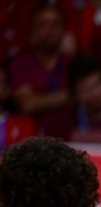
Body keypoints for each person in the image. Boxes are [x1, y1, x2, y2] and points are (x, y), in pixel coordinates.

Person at [8, 6, 73, 139]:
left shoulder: (72, 63)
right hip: (28, 143)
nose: (49, 31)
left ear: (63, 30)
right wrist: (72, 94)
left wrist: (40, 99)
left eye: (55, 26)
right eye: (43, 25)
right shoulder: (20, 64)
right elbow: (28, 104)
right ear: (33, 29)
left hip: (69, 144)